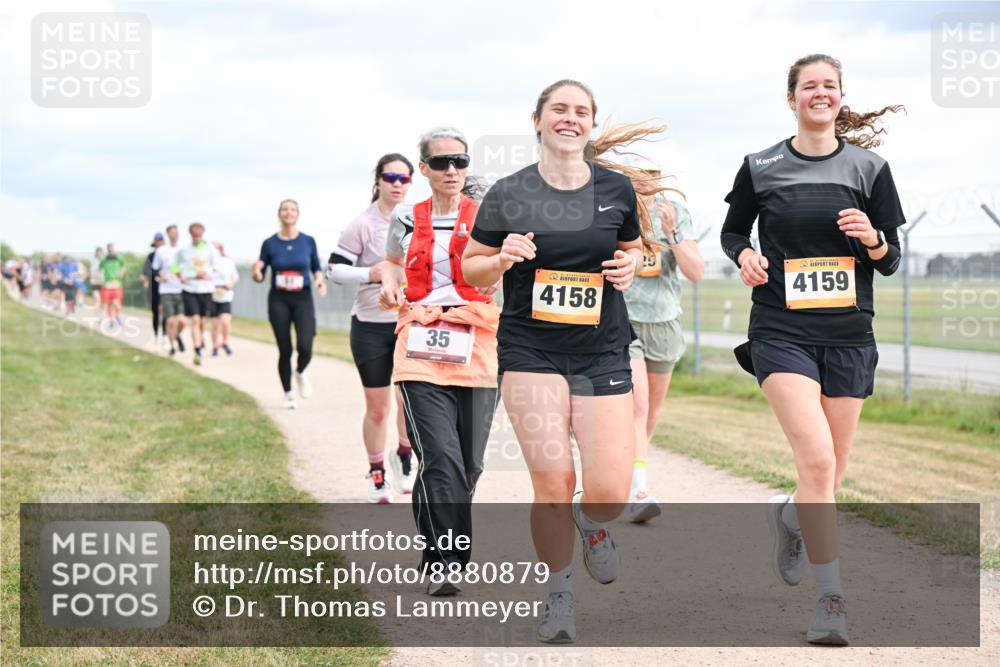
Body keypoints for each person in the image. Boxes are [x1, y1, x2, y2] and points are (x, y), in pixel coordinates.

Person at [721, 54, 905, 646]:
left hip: (849, 335)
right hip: (781, 329)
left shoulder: (870, 168)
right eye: (808, 86)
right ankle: (831, 600)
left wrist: (871, 239)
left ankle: (791, 515)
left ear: (840, 96)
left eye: (829, 85)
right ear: (792, 98)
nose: (819, 93)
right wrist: (744, 256)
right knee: (819, 462)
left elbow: (890, 259)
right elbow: (733, 231)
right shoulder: (762, 165)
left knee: (831, 473)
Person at [462, 81, 642, 643]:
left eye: (581, 111)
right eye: (559, 109)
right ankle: (559, 593)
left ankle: (593, 523)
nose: (570, 118)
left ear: (590, 124)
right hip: (530, 349)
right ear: (537, 120)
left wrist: (630, 266)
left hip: (602, 348)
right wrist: (501, 258)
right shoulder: (509, 193)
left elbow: (633, 249)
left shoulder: (616, 188)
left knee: (609, 491)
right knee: (554, 479)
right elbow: (471, 266)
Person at [379, 127, 500, 594]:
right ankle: (444, 562)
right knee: (439, 456)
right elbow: (392, 262)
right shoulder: (406, 217)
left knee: (467, 465)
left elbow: (512, 261)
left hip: (477, 340)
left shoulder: (488, 216)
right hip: (420, 339)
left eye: (460, 161)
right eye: (442, 162)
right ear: (424, 169)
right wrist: (389, 283)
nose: (452, 170)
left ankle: (441, 546)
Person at [610, 152, 704, 522]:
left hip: (664, 320)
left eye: (651, 174)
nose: (645, 182)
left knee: (651, 413)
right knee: (638, 406)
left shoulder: (674, 211)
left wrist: (672, 234)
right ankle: (639, 489)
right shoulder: (616, 209)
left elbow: (695, 272)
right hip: (625, 319)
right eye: (636, 175)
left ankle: (630, 468)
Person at [328, 152, 417, 504]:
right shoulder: (363, 224)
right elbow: (334, 270)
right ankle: (377, 472)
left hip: (409, 323)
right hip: (370, 327)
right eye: (390, 177)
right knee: (379, 408)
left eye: (404, 178)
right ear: (378, 180)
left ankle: (404, 455)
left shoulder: (418, 218)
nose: (397, 184)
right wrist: (371, 273)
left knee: (410, 400)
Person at [252, 199, 326, 409]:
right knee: (285, 349)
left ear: (297, 214)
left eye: (292, 209)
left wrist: (319, 281)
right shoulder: (269, 243)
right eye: (285, 209)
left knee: (305, 346)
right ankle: (288, 394)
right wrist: (256, 272)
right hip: (279, 299)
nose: (288, 212)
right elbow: (260, 274)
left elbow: (316, 268)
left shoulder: (308, 241)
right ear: (279, 214)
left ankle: (300, 372)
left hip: (302, 297)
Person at [177, 222, 220, 365]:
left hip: (206, 289)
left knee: (201, 321)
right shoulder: (184, 250)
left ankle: (199, 340)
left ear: (202, 234)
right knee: (195, 320)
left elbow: (217, 266)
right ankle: (197, 351)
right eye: (194, 234)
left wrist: (207, 273)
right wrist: (179, 275)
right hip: (190, 288)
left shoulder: (210, 249)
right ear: (190, 234)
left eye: (199, 234)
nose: (196, 236)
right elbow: (173, 264)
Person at [152, 225, 187, 356]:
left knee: (182, 321)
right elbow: (155, 270)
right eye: (172, 232)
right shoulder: (161, 251)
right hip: (166, 290)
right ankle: (172, 346)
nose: (175, 234)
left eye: (176, 232)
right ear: (168, 235)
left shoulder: (183, 250)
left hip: (181, 289)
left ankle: (177, 335)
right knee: (170, 320)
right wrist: (159, 277)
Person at [210, 241, 239, 356]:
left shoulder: (228, 262)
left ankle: (225, 342)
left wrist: (231, 284)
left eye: (217, 248)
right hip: (212, 295)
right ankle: (215, 346)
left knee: (225, 321)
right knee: (214, 324)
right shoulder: (208, 262)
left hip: (225, 295)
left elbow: (235, 277)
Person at [141, 233, 167, 348]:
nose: (159, 244)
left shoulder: (168, 256)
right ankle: (156, 335)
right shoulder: (151, 256)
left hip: (166, 288)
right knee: (155, 312)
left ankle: (165, 335)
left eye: (161, 241)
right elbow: (145, 272)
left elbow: (174, 268)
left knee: (165, 311)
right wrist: (145, 280)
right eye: (157, 242)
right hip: (154, 287)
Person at [98, 244, 126, 327]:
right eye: (109, 249)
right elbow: (100, 270)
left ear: (114, 249)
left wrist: (121, 273)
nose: (110, 250)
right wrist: (101, 279)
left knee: (116, 303)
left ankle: (117, 315)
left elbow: (124, 267)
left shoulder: (119, 258)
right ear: (107, 249)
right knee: (107, 304)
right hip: (106, 285)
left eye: (112, 248)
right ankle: (111, 320)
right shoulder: (104, 259)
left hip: (117, 284)